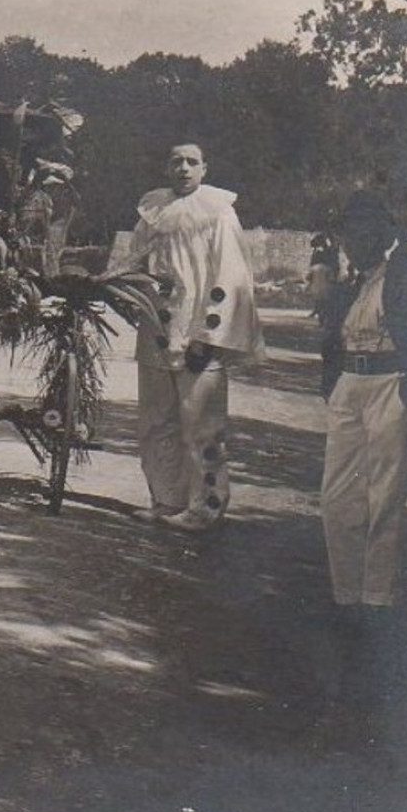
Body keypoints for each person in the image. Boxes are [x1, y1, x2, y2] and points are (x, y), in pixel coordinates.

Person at [128, 142, 265, 531]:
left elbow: (231, 276)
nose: (183, 169)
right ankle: (165, 498)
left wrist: (208, 335)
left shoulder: (219, 212)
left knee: (201, 426)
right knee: (157, 422)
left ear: (204, 168)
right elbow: (135, 261)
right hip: (157, 329)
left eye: (192, 162)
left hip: (197, 335)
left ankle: (205, 506)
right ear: (166, 168)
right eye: (176, 162)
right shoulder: (152, 211)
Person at [318, 191, 407, 612]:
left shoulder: (402, 280)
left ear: (383, 236)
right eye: (350, 232)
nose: (356, 240)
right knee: (337, 494)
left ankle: (377, 596)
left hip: (390, 383)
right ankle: (346, 592)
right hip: (350, 383)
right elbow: (331, 340)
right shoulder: (348, 285)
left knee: (384, 492)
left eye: (366, 231)